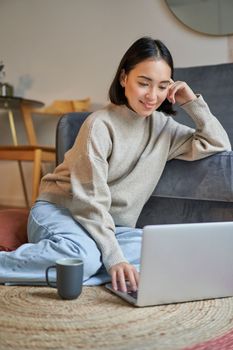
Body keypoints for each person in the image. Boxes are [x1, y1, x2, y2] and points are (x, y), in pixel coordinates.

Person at [0, 37, 231, 293]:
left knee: (160, 253)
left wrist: (192, 102)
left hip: (110, 227)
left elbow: (218, 143)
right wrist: (114, 258)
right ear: (124, 78)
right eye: (144, 83)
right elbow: (89, 202)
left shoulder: (164, 128)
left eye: (163, 86)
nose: (153, 96)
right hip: (62, 211)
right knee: (85, 258)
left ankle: (79, 271)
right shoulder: (99, 125)